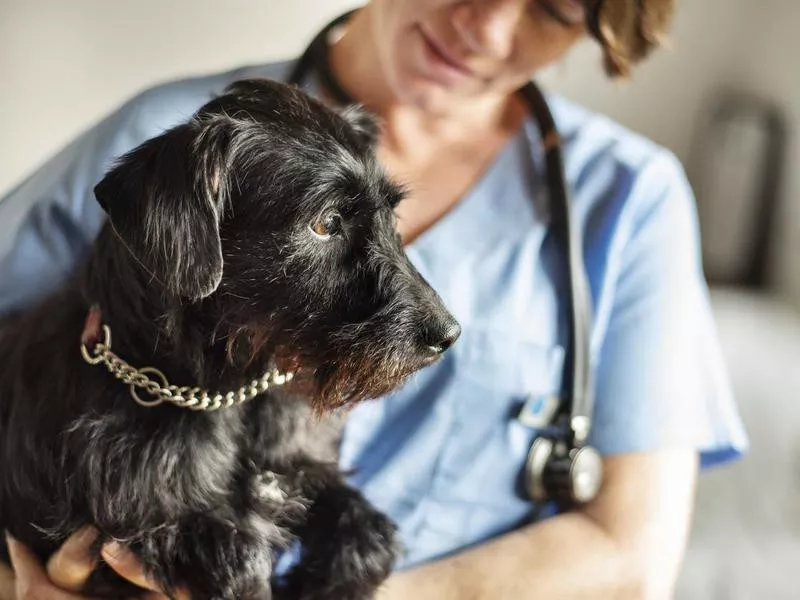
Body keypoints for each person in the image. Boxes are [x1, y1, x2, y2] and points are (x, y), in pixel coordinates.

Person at [0, 0, 748, 598]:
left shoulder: (629, 198)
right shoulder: (168, 140)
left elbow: (632, 557)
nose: (487, 25)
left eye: (554, 8)